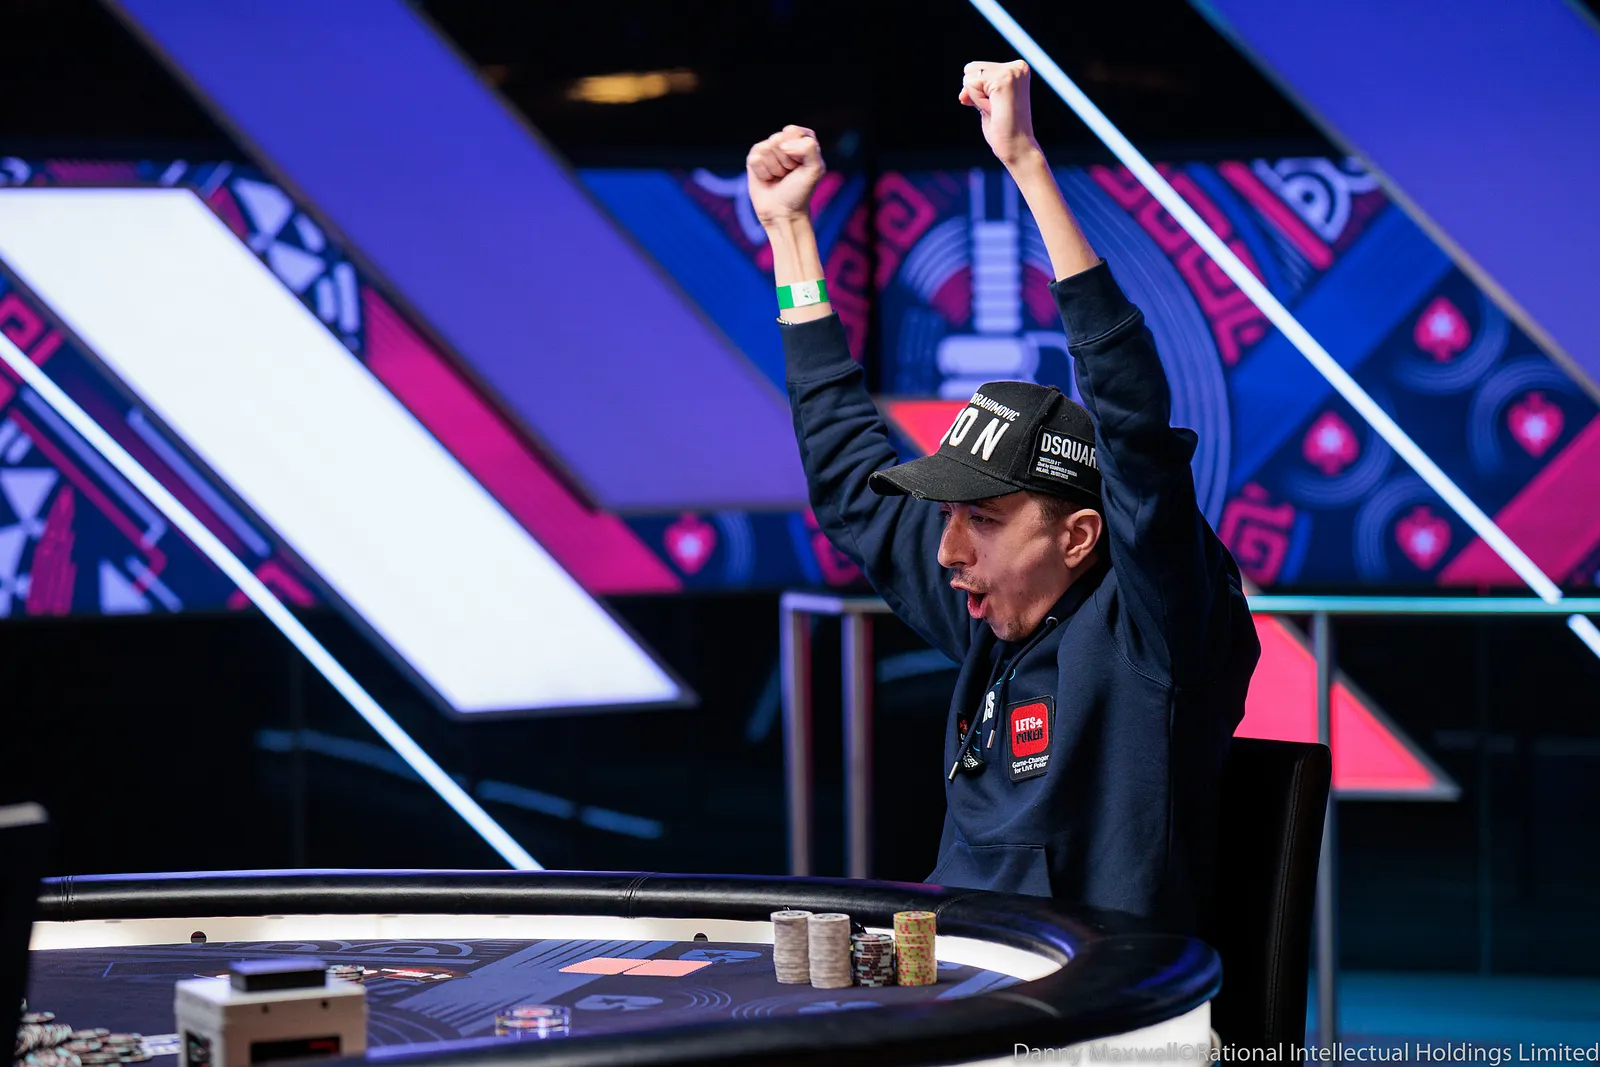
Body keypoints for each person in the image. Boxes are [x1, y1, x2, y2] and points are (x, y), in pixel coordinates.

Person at [747, 60, 1261, 934]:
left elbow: (1133, 423)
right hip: (963, 975)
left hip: (1094, 1000)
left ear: (1080, 535)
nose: (950, 552)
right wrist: (789, 233)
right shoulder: (996, 615)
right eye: (950, 515)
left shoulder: (1157, 628)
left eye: (982, 518)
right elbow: (847, 479)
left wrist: (1024, 160)